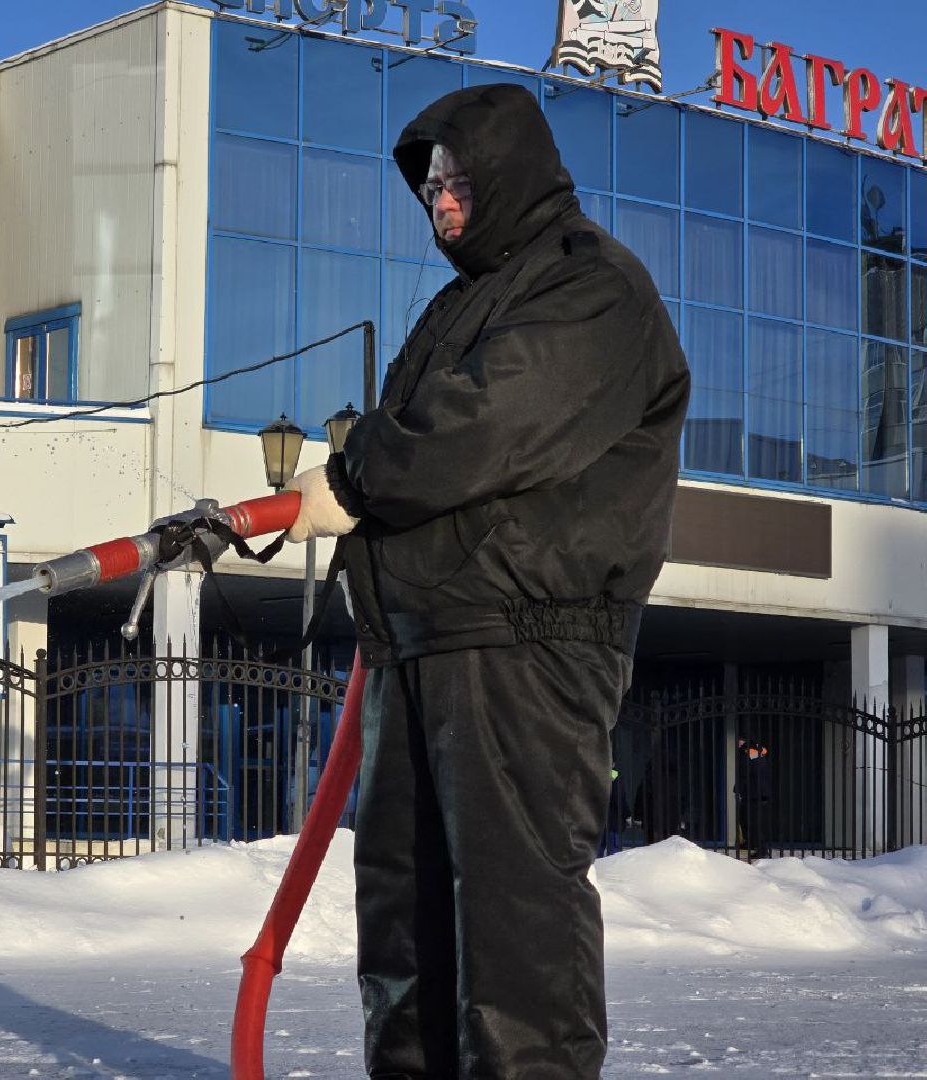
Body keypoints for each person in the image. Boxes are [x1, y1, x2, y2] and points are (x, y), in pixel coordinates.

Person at [282, 83, 690, 1078]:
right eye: (429, 186)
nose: (442, 201)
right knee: (405, 925)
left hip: (526, 641)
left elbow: (483, 426)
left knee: (514, 932)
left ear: (513, 174)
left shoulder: (592, 288)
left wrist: (352, 473)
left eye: (459, 179)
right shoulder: (460, 307)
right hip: (426, 641)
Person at [735, 736, 772, 861]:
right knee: (755, 821)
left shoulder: (747, 754)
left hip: (753, 793)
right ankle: (753, 844)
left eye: (739, 741)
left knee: (751, 821)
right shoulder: (759, 753)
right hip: (761, 792)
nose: (737, 744)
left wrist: (738, 789)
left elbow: (745, 774)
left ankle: (760, 849)